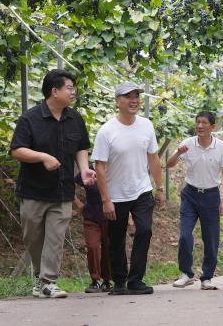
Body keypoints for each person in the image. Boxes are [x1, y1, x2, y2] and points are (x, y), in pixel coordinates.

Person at [10, 68, 94, 299]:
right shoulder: (30, 118)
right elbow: (17, 150)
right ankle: (40, 279)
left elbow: (81, 147)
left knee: (55, 239)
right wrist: (43, 157)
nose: (73, 92)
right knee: (33, 239)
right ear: (54, 91)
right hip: (33, 191)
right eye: (69, 88)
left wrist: (85, 170)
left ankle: (48, 281)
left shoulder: (75, 118)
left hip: (62, 191)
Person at [92, 81, 164, 296]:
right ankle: (120, 281)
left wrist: (159, 188)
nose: (134, 100)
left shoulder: (146, 125)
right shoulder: (106, 131)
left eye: (136, 96)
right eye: (128, 96)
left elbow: (153, 158)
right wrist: (106, 199)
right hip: (116, 194)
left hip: (142, 189)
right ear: (117, 101)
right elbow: (100, 167)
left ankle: (136, 280)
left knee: (144, 230)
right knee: (116, 238)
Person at [166, 111, 223, 290]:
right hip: (190, 195)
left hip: (211, 196)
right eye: (198, 122)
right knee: (185, 235)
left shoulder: (221, 147)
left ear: (213, 127)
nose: (200, 126)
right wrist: (178, 152)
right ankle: (186, 273)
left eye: (204, 123)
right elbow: (169, 164)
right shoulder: (187, 144)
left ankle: (207, 277)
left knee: (211, 239)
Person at [74, 166, 112, 293]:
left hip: (110, 218)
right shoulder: (89, 171)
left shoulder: (114, 170)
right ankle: (95, 280)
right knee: (93, 246)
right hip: (91, 218)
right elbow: (68, 185)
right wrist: (79, 204)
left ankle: (107, 280)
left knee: (108, 248)